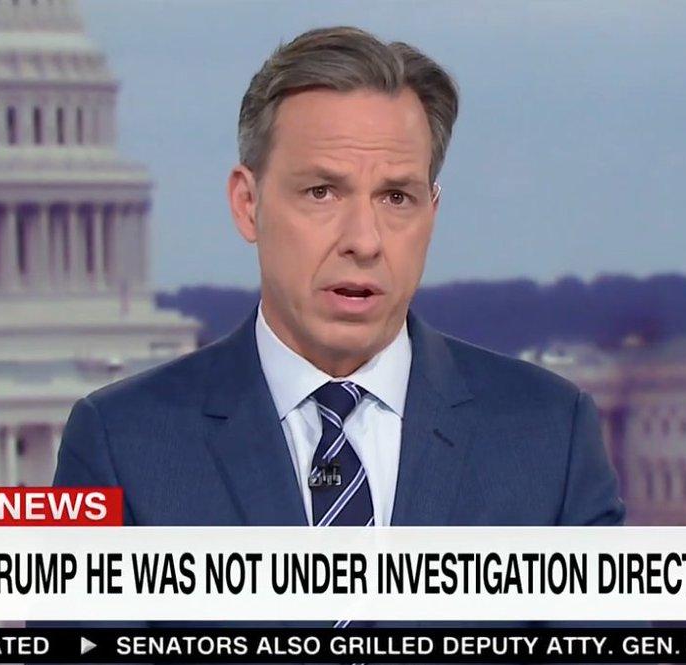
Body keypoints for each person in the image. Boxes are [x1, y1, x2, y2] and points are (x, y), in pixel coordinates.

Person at [55, 26, 623, 533]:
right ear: (248, 204)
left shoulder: (550, 435)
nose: (364, 240)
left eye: (396, 197)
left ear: (432, 212)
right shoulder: (119, 443)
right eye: (322, 192)